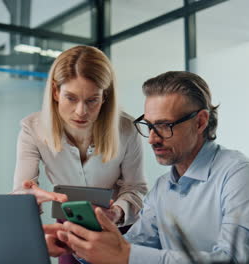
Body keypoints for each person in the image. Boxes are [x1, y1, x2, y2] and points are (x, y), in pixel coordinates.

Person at [45, 71, 249, 264]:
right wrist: (78, 242)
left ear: (200, 122)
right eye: (149, 125)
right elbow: (129, 248)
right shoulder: (163, 187)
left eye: (165, 126)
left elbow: (235, 261)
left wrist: (127, 256)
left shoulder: (240, 176)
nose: (152, 139)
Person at [12, 45, 148, 262]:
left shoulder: (126, 129)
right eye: (71, 98)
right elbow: (22, 191)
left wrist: (117, 213)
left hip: (117, 231)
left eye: (92, 100)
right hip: (67, 229)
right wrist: (29, 199)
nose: (81, 111)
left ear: (105, 96)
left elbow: (136, 188)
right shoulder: (32, 128)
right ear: (56, 92)